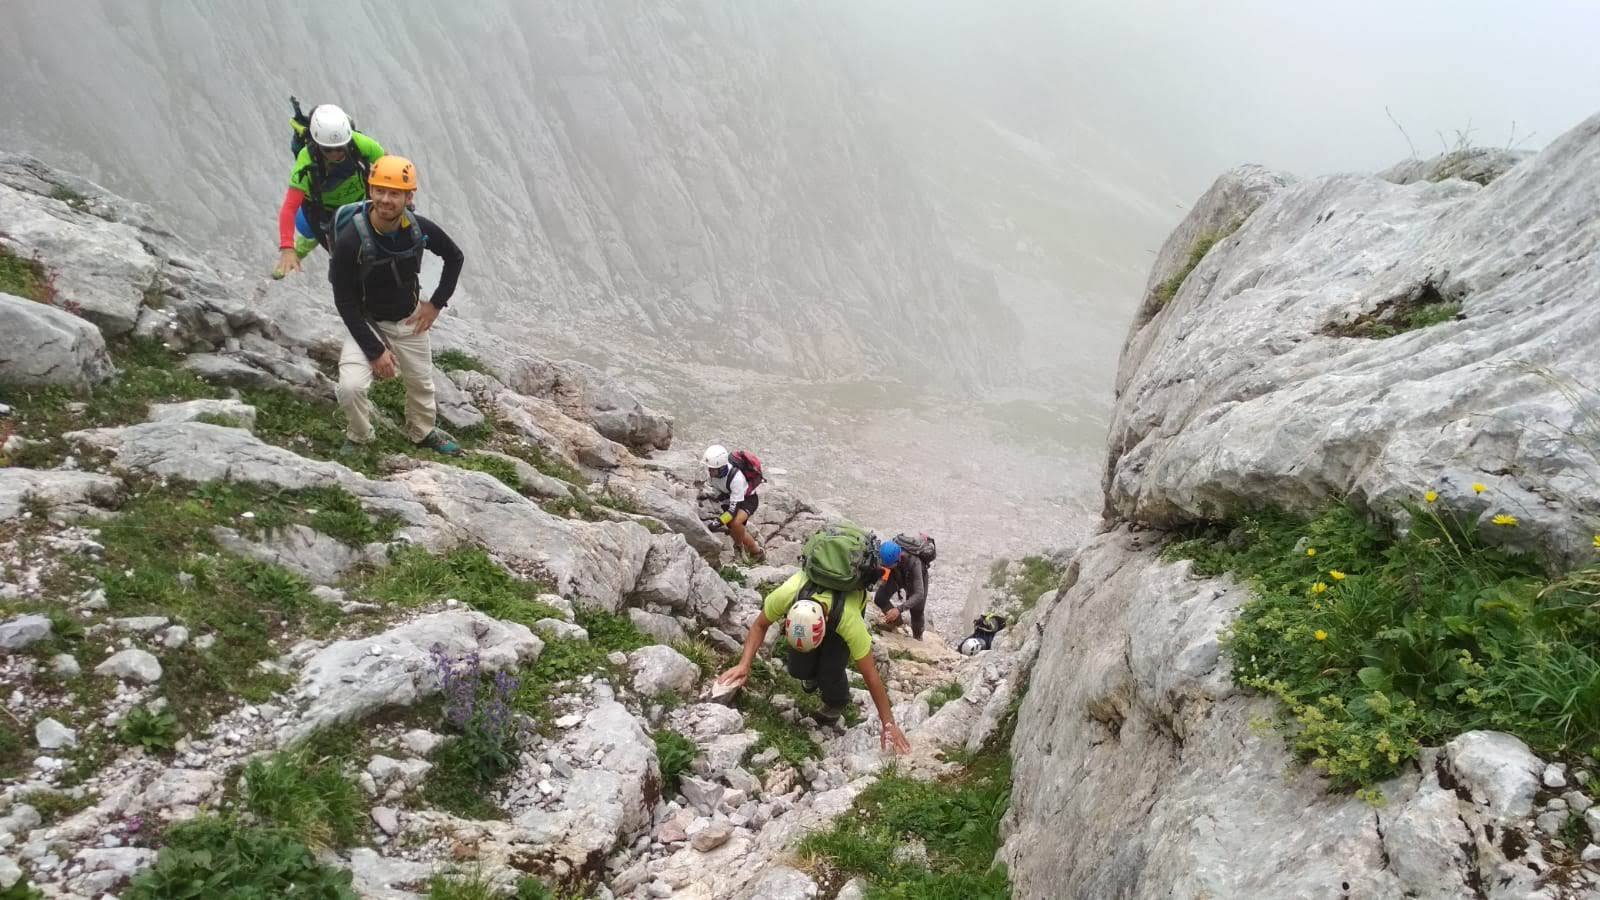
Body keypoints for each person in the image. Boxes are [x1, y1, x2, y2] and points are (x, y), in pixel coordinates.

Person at [330, 155, 465, 455]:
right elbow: (344, 299)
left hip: (409, 318)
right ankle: (360, 437)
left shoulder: (418, 228)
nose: (385, 199)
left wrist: (436, 303)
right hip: (368, 322)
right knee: (351, 388)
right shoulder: (352, 239)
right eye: (379, 191)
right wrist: (375, 350)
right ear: (370, 191)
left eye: (394, 193)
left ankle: (422, 431)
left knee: (421, 384)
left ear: (408, 196)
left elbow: (455, 256)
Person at [715, 567, 911, 754]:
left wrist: (889, 724)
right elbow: (759, 625)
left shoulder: (848, 619)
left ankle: (836, 702)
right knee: (797, 668)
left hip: (842, 609)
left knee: (831, 670)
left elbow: (871, 675)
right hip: (815, 612)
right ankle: (811, 675)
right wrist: (744, 664)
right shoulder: (787, 595)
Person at [273, 103, 385, 278]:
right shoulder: (306, 161)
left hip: (359, 202)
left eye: (341, 147)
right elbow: (289, 207)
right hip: (323, 212)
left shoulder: (361, 143)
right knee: (338, 250)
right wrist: (287, 247)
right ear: (317, 144)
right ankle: (289, 260)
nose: (336, 154)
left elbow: (389, 165)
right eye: (328, 150)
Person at [702, 444, 765, 562]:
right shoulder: (714, 474)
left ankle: (745, 548)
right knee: (733, 527)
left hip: (748, 500)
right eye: (709, 469)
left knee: (736, 523)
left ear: (721, 468)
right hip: (729, 497)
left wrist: (717, 522)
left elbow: (732, 511)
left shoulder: (737, 478)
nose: (710, 472)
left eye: (712, 470)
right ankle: (753, 550)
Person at [873, 533, 935, 640]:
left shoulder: (914, 563)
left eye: (888, 566)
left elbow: (919, 594)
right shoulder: (890, 558)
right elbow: (884, 570)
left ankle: (918, 637)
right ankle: (896, 623)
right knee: (880, 598)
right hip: (897, 575)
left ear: (899, 558)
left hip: (915, 578)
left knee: (916, 611)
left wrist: (899, 609)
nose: (886, 568)